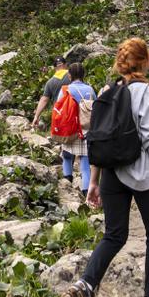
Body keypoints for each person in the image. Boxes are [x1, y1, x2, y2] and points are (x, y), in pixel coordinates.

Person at [64, 38, 149, 297]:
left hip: (112, 174)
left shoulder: (107, 90)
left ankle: (86, 284)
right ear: (144, 62)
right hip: (143, 174)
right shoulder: (144, 92)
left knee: (114, 235)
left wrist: (93, 181)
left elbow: (99, 138)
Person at [53, 62, 96, 199]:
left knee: (66, 156)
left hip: (70, 129)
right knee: (85, 162)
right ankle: (86, 194)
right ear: (83, 75)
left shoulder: (65, 89)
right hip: (85, 130)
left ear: (69, 75)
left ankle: (68, 183)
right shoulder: (90, 90)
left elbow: (58, 108)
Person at [31, 57, 71, 129]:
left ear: (55, 68)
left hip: (59, 114)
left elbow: (44, 100)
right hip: (73, 112)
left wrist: (36, 116)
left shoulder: (50, 82)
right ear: (65, 65)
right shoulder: (73, 76)